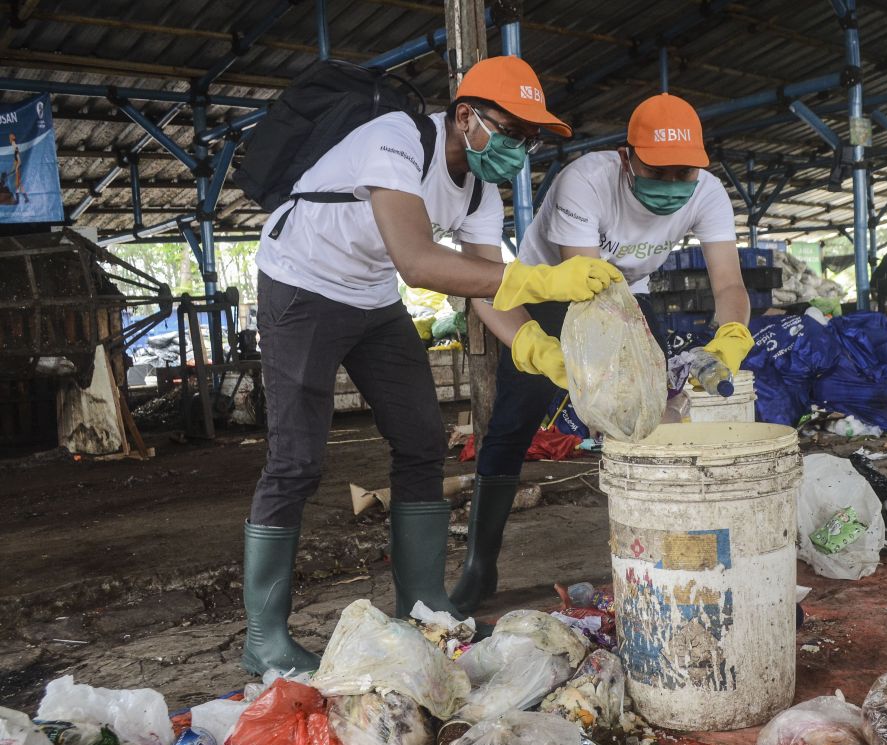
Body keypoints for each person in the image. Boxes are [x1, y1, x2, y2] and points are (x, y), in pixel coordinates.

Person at [243, 55, 623, 674]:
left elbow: (483, 285)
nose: (519, 147)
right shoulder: (396, 137)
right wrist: (545, 275)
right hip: (302, 285)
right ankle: (264, 638)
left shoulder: (479, 189)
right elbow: (419, 261)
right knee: (296, 460)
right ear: (466, 115)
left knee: (422, 440)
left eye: (530, 137)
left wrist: (534, 347)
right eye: (513, 130)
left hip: (370, 296)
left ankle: (422, 604)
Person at [452, 93, 753, 614]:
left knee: (657, 420)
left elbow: (729, 282)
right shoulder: (585, 181)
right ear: (625, 156)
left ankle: (661, 551)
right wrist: (603, 386)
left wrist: (730, 339)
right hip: (555, 292)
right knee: (512, 425)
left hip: (629, 297)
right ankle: (481, 564)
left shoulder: (708, 193)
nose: (674, 184)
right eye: (659, 171)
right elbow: (588, 292)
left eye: (685, 174)